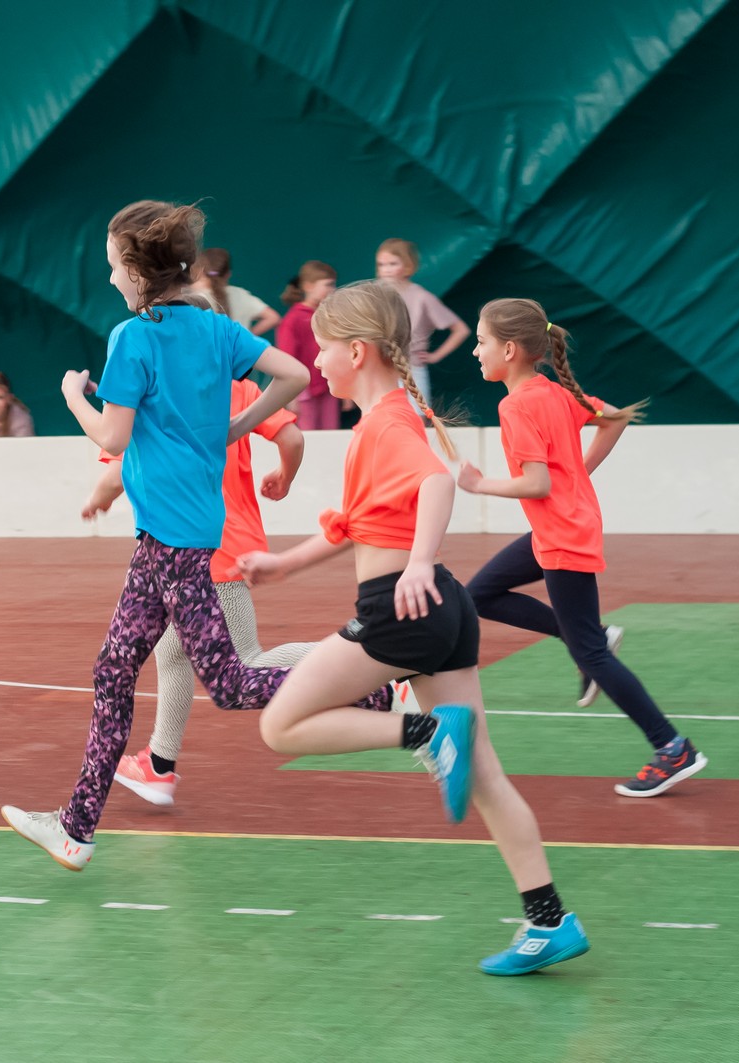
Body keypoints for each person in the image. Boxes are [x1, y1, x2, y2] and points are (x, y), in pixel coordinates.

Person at [0, 200, 390, 870]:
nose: (111, 278)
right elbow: (295, 376)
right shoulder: (215, 329)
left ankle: (380, 692)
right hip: (180, 535)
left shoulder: (132, 338)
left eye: (113, 266)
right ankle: (76, 827)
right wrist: (236, 429)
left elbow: (113, 435)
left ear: (138, 270)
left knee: (230, 681)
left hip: (173, 543)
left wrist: (71, 397)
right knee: (114, 668)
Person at [236, 280, 589, 976]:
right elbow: (355, 526)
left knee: (281, 724)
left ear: (357, 352)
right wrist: (283, 564)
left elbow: (436, 481)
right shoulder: (388, 415)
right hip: (443, 611)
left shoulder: (386, 425)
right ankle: (549, 919)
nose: (315, 360)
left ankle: (425, 733)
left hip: (401, 611)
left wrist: (420, 561)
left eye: (322, 348)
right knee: (484, 774)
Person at [458, 298, 704, 797]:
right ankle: (593, 637)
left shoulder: (516, 405)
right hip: (562, 528)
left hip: (562, 535)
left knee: (591, 653)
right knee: (478, 595)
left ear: (510, 349)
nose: (475, 351)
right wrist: (579, 472)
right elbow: (614, 419)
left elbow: (536, 484)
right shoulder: (554, 392)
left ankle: (672, 748)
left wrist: (480, 485)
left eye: (481, 342)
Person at [86, 380, 310, 805]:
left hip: (195, 549)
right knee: (173, 652)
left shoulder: (149, 392)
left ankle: (372, 664)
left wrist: (97, 497)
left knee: (247, 660)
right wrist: (284, 477)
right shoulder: (238, 387)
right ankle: (159, 765)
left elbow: (117, 470)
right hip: (221, 544)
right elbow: (293, 439)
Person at [375, 238, 469, 413]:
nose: (386, 269)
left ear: (408, 265)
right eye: (381, 264)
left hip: (412, 368)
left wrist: (435, 356)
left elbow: (460, 330)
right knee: (383, 415)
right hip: (380, 368)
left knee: (418, 416)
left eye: (392, 264)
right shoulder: (373, 295)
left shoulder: (421, 297)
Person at [277, 261, 340, 429]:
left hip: (329, 386)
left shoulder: (330, 315)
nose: (332, 289)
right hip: (304, 391)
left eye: (333, 284)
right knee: (308, 436)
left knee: (331, 434)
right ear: (308, 286)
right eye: (328, 284)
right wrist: (291, 397)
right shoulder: (293, 319)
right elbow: (287, 359)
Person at [189, 247, 280, 335]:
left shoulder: (192, 297)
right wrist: (247, 338)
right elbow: (273, 317)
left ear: (198, 271)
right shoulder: (241, 295)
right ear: (228, 274)